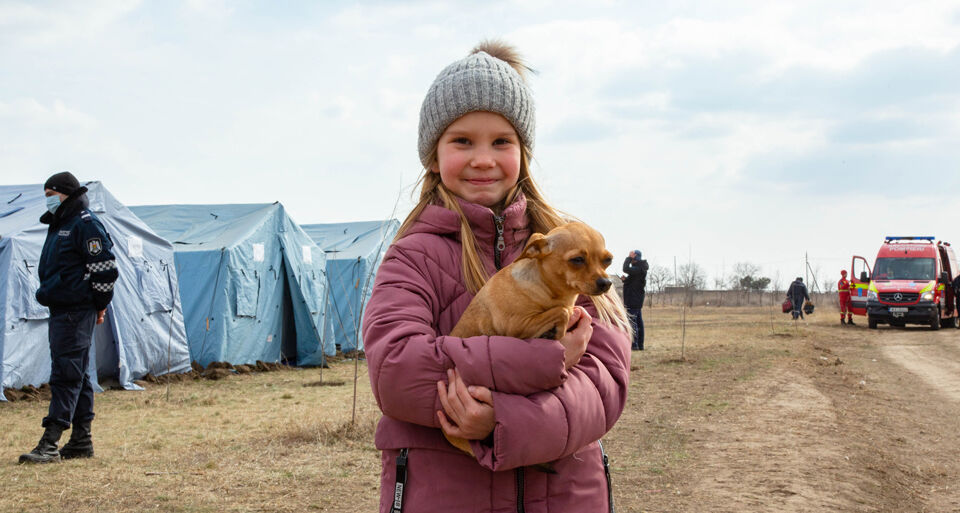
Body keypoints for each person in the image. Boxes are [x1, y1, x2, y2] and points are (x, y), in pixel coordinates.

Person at [361, 41, 632, 512]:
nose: (483, 158)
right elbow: (396, 372)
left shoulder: (571, 252)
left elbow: (604, 385)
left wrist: (501, 420)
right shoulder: (410, 258)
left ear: (524, 153)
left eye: (501, 142)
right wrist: (547, 358)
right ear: (432, 155)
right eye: (462, 140)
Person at [19, 172, 118, 464]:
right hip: (62, 309)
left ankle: (50, 442)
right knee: (80, 374)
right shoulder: (61, 224)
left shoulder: (85, 224)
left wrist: (99, 305)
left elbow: (106, 269)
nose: (47, 200)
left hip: (76, 310)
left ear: (65, 193)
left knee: (66, 374)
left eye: (50, 194)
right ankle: (80, 441)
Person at [622, 250, 649, 350]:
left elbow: (625, 268)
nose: (631, 261)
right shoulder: (640, 269)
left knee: (632, 322)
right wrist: (625, 280)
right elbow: (634, 282)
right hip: (636, 299)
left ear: (635, 259)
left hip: (633, 299)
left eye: (632, 259)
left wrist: (628, 258)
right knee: (638, 322)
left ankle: (634, 345)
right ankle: (640, 345)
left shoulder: (637, 268)